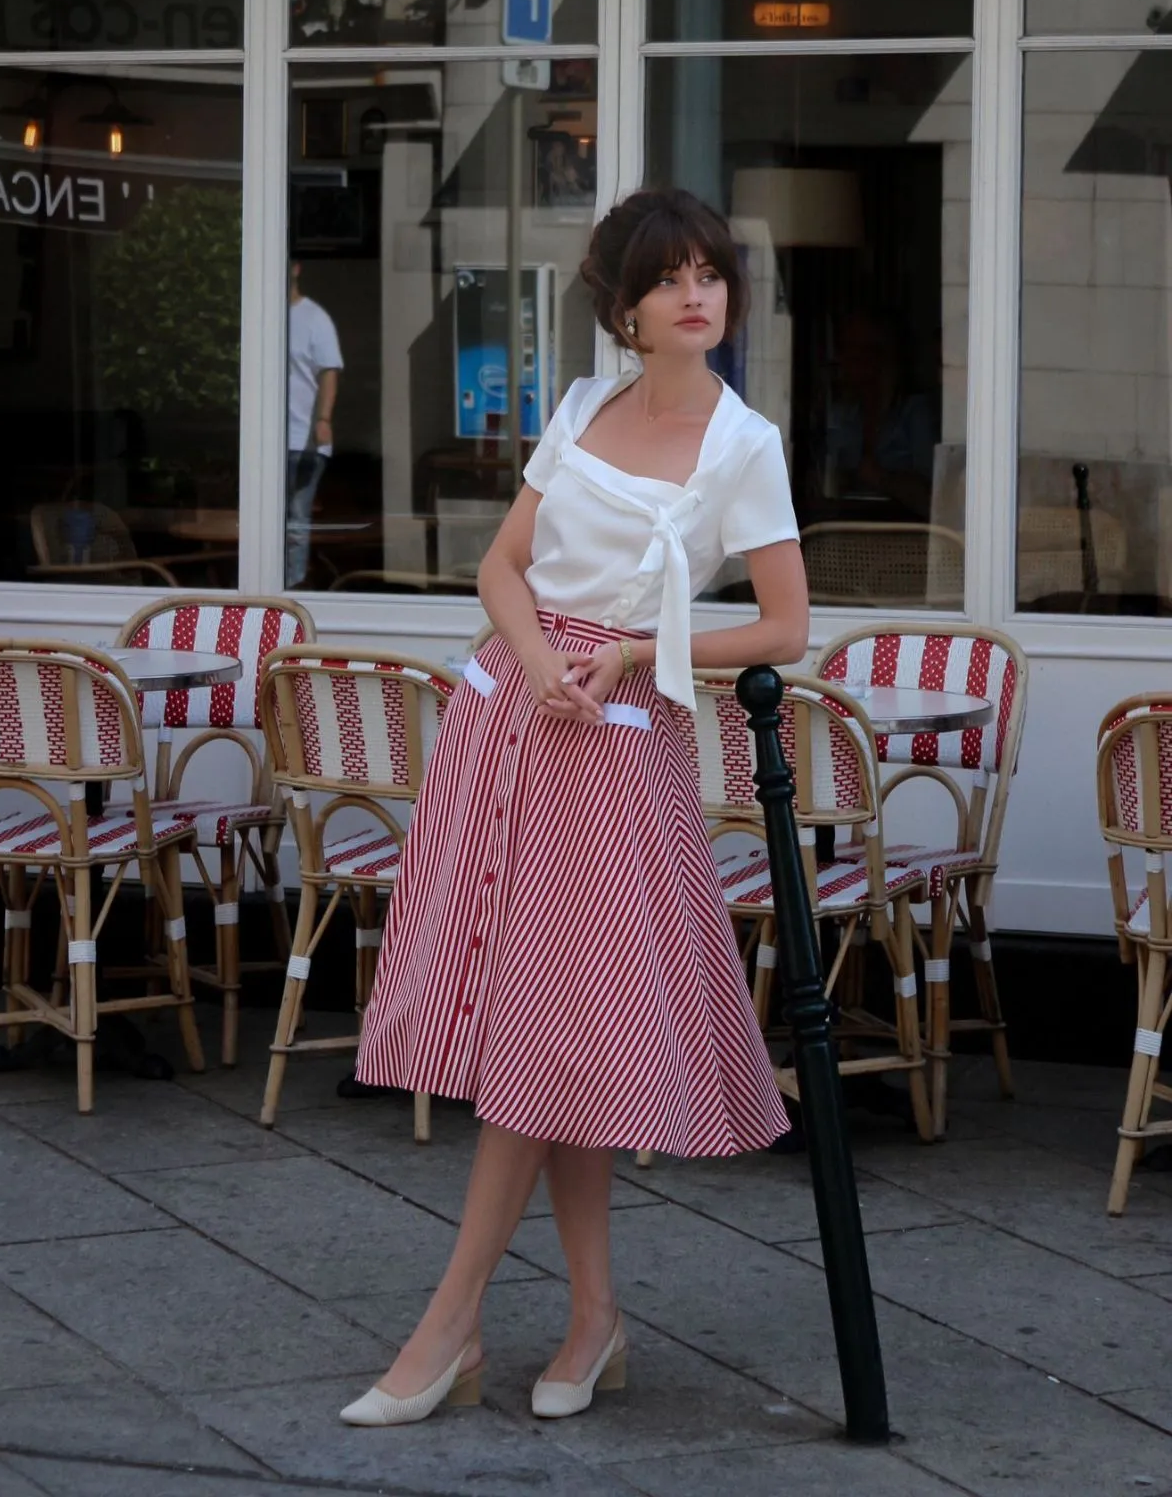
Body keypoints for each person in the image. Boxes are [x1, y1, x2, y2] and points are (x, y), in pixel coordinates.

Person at [340, 188, 810, 1429]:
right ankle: (593, 1315)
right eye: (670, 278)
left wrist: (639, 657)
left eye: (711, 272)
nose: (697, 294)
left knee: (549, 1038)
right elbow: (503, 565)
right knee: (554, 1039)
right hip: (509, 721)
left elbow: (786, 626)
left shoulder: (743, 444)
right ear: (624, 305)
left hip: (616, 748)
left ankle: (449, 1323)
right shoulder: (582, 407)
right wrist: (539, 658)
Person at [821, 309, 936, 519]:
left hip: (907, 539)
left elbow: (935, 501)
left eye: (861, 353)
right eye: (846, 351)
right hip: (843, 535)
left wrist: (883, 479)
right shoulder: (843, 414)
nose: (846, 363)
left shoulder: (915, 414)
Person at [286, 259, 343, 587]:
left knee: (296, 519)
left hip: (302, 439)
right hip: (270, 442)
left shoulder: (314, 318)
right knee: (268, 521)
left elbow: (329, 371)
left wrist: (323, 419)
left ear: (296, 268)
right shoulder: (264, 313)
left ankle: (292, 587)